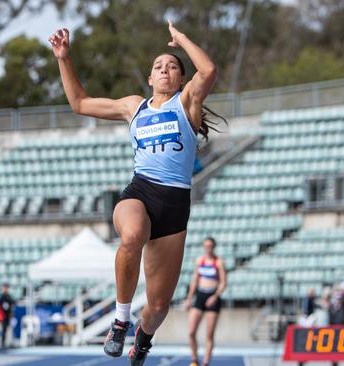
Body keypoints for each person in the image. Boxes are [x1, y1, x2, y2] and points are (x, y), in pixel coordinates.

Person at [49, 20, 222, 365]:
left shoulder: (187, 103)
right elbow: (80, 103)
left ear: (180, 79)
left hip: (174, 206)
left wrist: (181, 39)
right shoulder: (134, 107)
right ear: (149, 78)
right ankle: (120, 319)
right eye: (158, 66)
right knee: (132, 236)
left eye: (172, 66)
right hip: (139, 192)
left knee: (158, 307)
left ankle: (142, 340)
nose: (164, 69)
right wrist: (63, 58)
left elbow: (209, 69)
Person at [185, 237, 227, 366]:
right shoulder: (200, 261)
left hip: (212, 297)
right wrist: (189, 298)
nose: (208, 248)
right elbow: (195, 280)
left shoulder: (218, 262)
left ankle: (205, 363)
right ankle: (194, 359)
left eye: (210, 246)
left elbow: (223, 283)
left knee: (209, 334)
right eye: (206, 246)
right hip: (200, 295)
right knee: (191, 332)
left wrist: (215, 296)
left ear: (214, 247)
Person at [0, 283, 16, 349]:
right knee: (3, 329)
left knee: (10, 329)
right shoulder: (1, 297)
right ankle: (3, 342)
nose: (6, 289)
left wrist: (12, 314)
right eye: (5, 288)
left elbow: (12, 304)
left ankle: (10, 343)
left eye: (7, 288)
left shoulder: (9, 296)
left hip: (8, 315)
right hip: (3, 316)